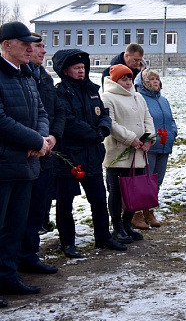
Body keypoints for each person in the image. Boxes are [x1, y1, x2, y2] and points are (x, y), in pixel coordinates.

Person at [53, 49, 127, 258]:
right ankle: (68, 242)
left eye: (83, 68)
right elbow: (67, 121)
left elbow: (104, 113)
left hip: (92, 154)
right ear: (65, 70)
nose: (81, 71)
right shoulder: (60, 93)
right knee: (65, 202)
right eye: (76, 68)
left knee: (98, 198)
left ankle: (103, 236)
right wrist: (94, 133)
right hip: (69, 156)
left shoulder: (92, 90)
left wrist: (103, 129)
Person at [0, 22, 50, 305]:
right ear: (7, 45)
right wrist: (34, 141)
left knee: (15, 226)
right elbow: (1, 120)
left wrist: (41, 139)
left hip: (26, 164)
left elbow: (41, 111)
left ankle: (7, 276)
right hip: (4, 164)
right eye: (24, 43)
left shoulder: (27, 76)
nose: (31, 48)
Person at [18, 33, 66, 276]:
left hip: (45, 153)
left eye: (42, 46)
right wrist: (34, 140)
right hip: (21, 153)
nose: (43, 51)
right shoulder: (18, 75)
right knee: (17, 213)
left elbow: (57, 111)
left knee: (37, 209)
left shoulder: (45, 78)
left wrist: (51, 138)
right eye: (37, 46)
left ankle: (29, 255)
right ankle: (11, 261)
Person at [101, 64, 155, 242]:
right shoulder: (107, 97)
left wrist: (149, 139)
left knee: (135, 191)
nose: (127, 82)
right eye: (123, 79)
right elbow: (111, 123)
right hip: (119, 153)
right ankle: (116, 226)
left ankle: (127, 223)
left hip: (138, 152)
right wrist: (130, 138)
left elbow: (148, 117)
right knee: (117, 192)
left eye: (130, 78)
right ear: (116, 80)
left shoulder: (138, 96)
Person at [134, 68, 177, 227]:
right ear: (143, 82)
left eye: (157, 79)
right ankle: (137, 213)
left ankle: (149, 211)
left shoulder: (163, 100)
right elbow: (141, 122)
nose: (155, 82)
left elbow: (170, 119)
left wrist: (173, 132)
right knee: (145, 181)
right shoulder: (139, 99)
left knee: (157, 182)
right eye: (151, 79)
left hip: (164, 146)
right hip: (149, 147)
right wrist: (148, 139)